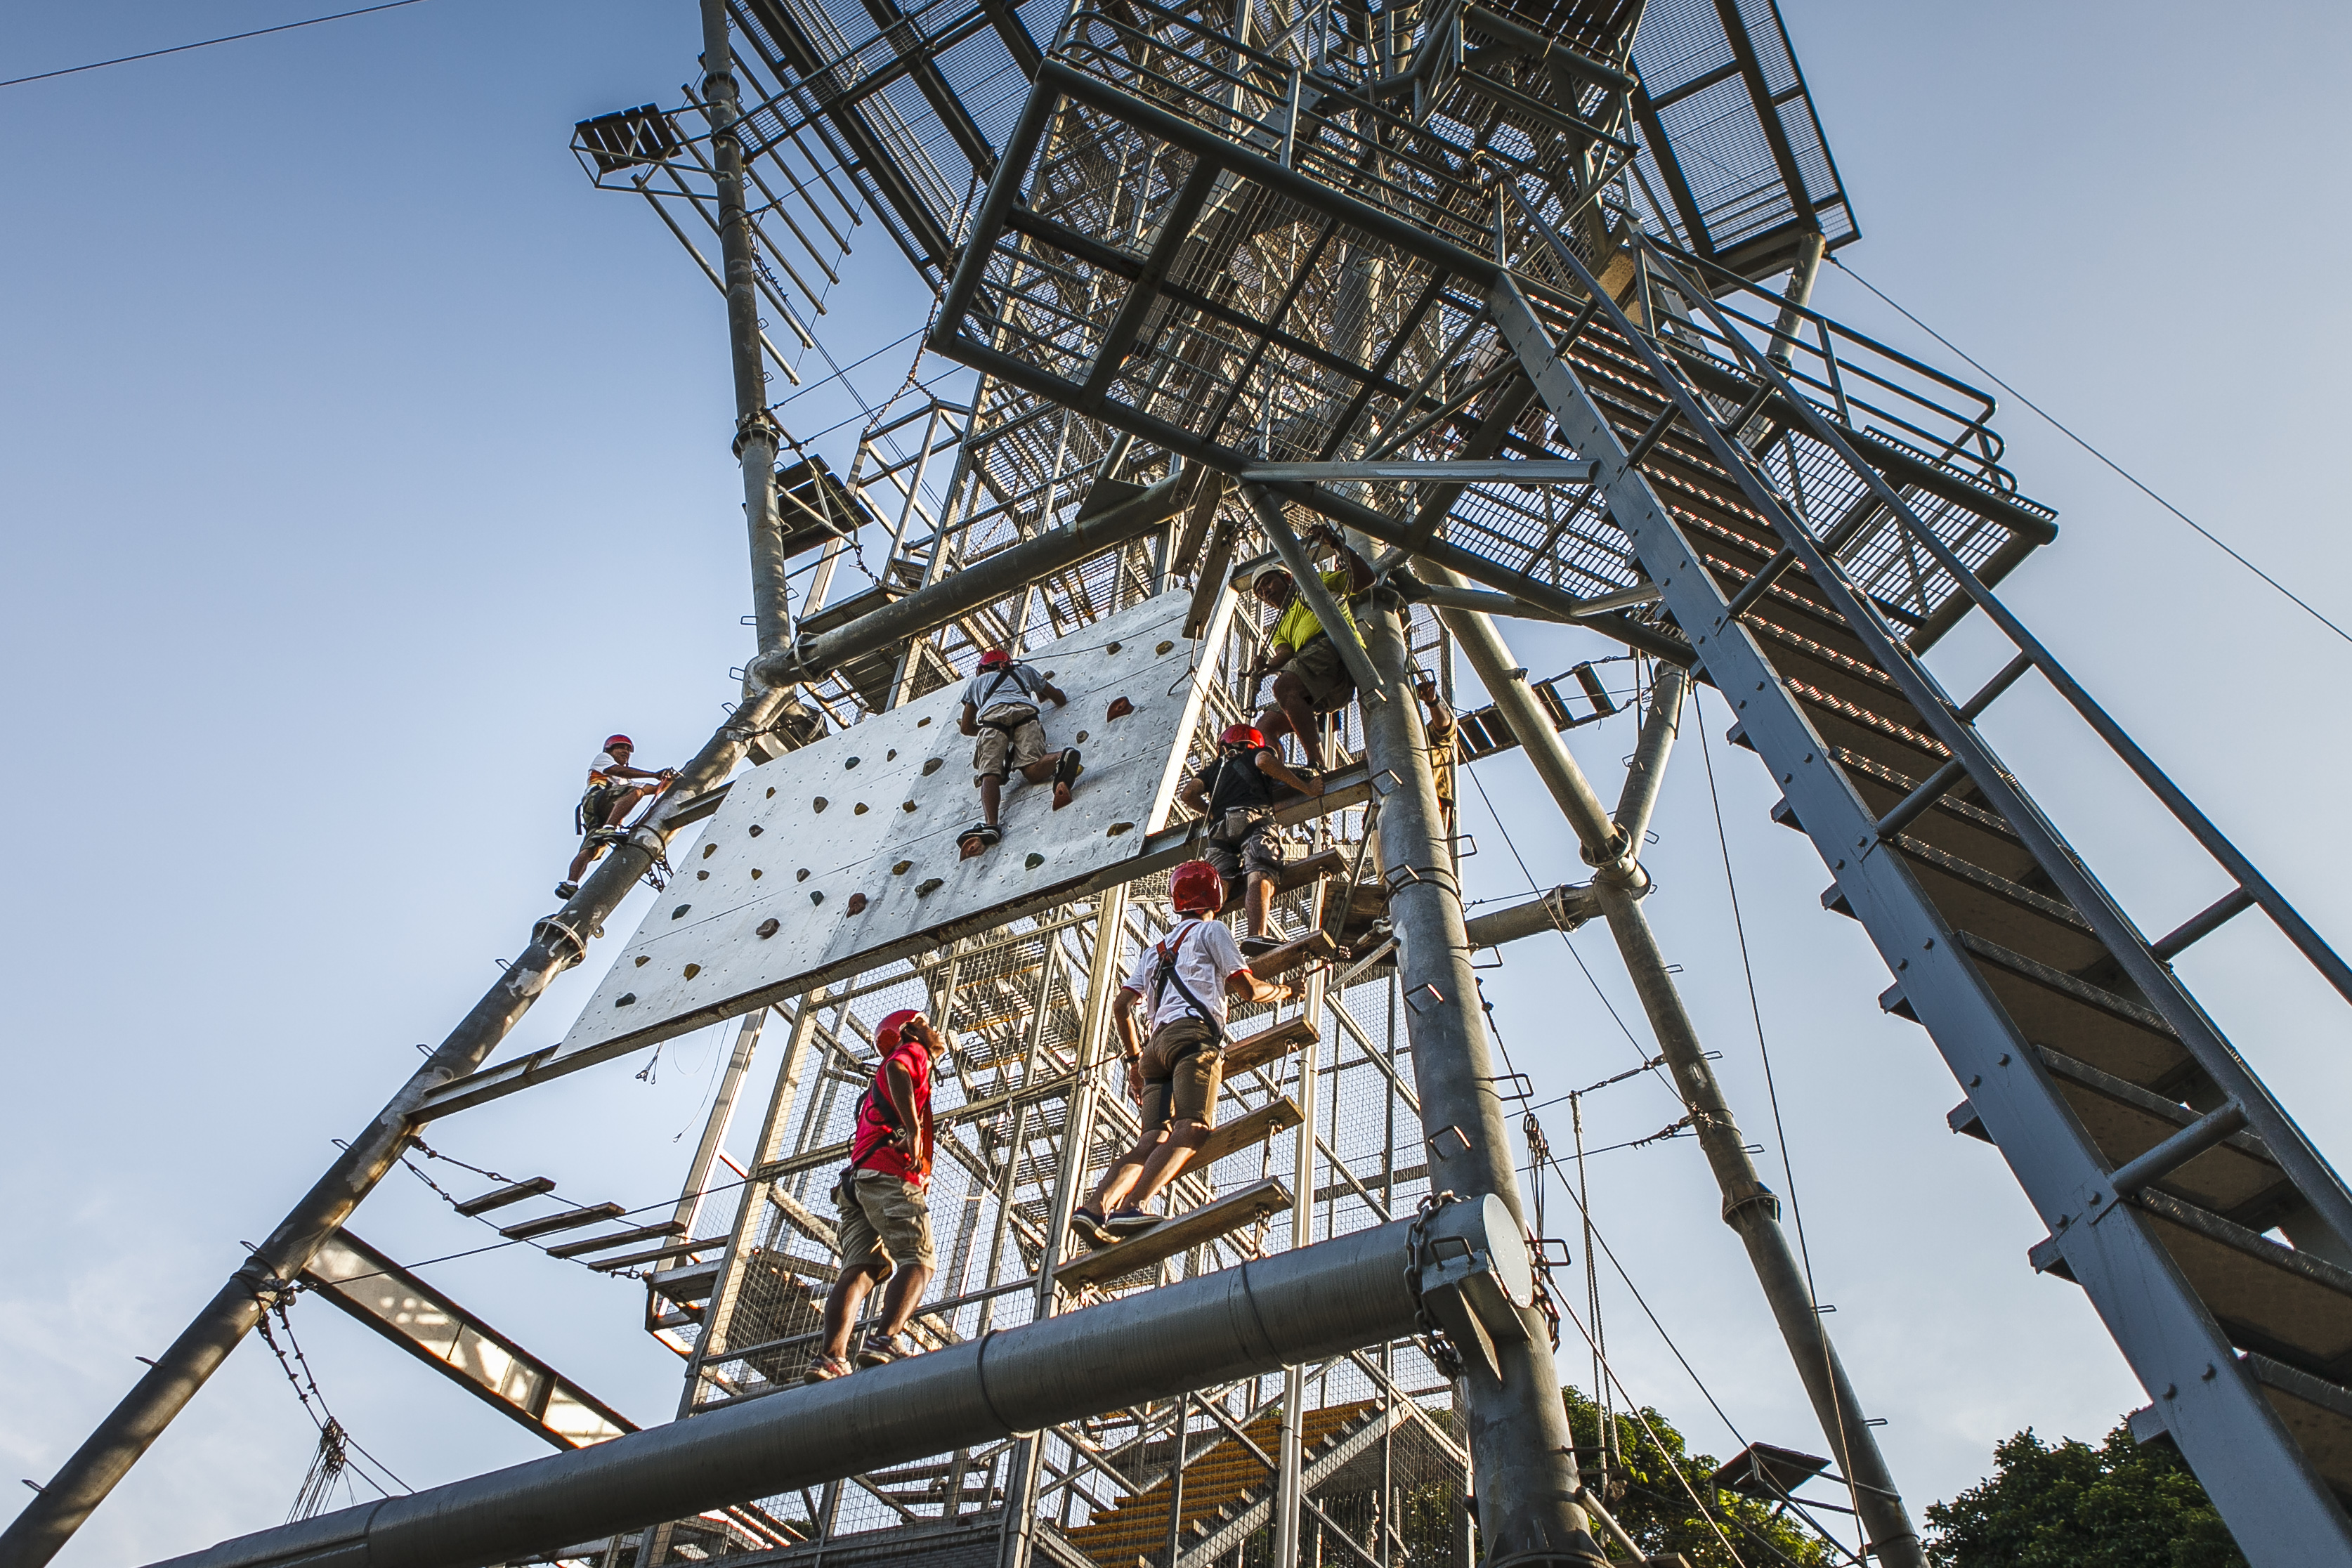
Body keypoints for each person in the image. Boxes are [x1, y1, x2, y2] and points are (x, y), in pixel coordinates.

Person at [1071, 861, 1301, 1244]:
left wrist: (1134, 1062)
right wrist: (1288, 991)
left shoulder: (1154, 951)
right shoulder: (1213, 931)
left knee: (1150, 1140)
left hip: (1154, 1050)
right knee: (1192, 1129)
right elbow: (1248, 990)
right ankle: (1133, 1206)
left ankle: (1095, 1209)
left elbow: (1121, 1006)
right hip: (1192, 1038)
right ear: (1216, 897)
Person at [805, 1008, 950, 1381]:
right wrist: (913, 1129)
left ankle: (831, 1358)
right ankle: (885, 1339)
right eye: (925, 1023)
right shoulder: (912, 1052)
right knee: (919, 1261)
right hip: (886, 1175)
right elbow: (898, 1069)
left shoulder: (880, 1087)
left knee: (861, 1269)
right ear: (910, 1030)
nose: (934, 1029)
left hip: (859, 1182)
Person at [1246, 522, 1374, 771]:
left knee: (1284, 685)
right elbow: (1285, 654)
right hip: (1314, 675)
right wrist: (1265, 667)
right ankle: (1278, 775)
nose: (1265, 593)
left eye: (1268, 583)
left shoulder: (1315, 583)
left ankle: (1316, 762)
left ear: (1287, 578)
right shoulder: (1280, 626)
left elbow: (1365, 579)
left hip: (1336, 650)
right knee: (1264, 728)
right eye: (1260, 593)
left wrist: (1335, 543)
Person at [1181, 723, 1324, 944]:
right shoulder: (1255, 753)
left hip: (1219, 831)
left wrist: (1212, 814)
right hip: (1252, 819)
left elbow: (1188, 794)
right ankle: (1256, 936)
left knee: (1216, 887)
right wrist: (1308, 788)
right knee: (1259, 871)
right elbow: (1264, 761)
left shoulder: (1214, 769)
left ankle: (1193, 942)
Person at [957, 648, 1083, 858]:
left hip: (992, 722)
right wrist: (1041, 693)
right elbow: (1060, 698)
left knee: (990, 773)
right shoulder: (1024, 671)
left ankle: (991, 825)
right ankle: (1061, 757)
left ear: (982, 669)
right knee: (1032, 769)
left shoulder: (976, 683)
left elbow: (966, 728)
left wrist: (991, 730)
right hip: (1027, 717)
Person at [556, 735, 677, 900]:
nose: (625, 751)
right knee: (636, 793)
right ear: (610, 750)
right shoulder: (603, 759)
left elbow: (656, 789)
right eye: (621, 748)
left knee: (590, 849)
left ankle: (570, 884)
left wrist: (669, 779)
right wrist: (654, 774)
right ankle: (608, 828)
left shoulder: (627, 781)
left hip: (600, 812)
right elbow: (618, 771)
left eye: (628, 750)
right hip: (596, 800)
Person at [1415, 674, 1459, 839]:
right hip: (1387, 808)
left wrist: (1433, 702)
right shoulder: (1386, 740)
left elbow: (1445, 726)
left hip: (1432, 803)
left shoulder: (1430, 736)